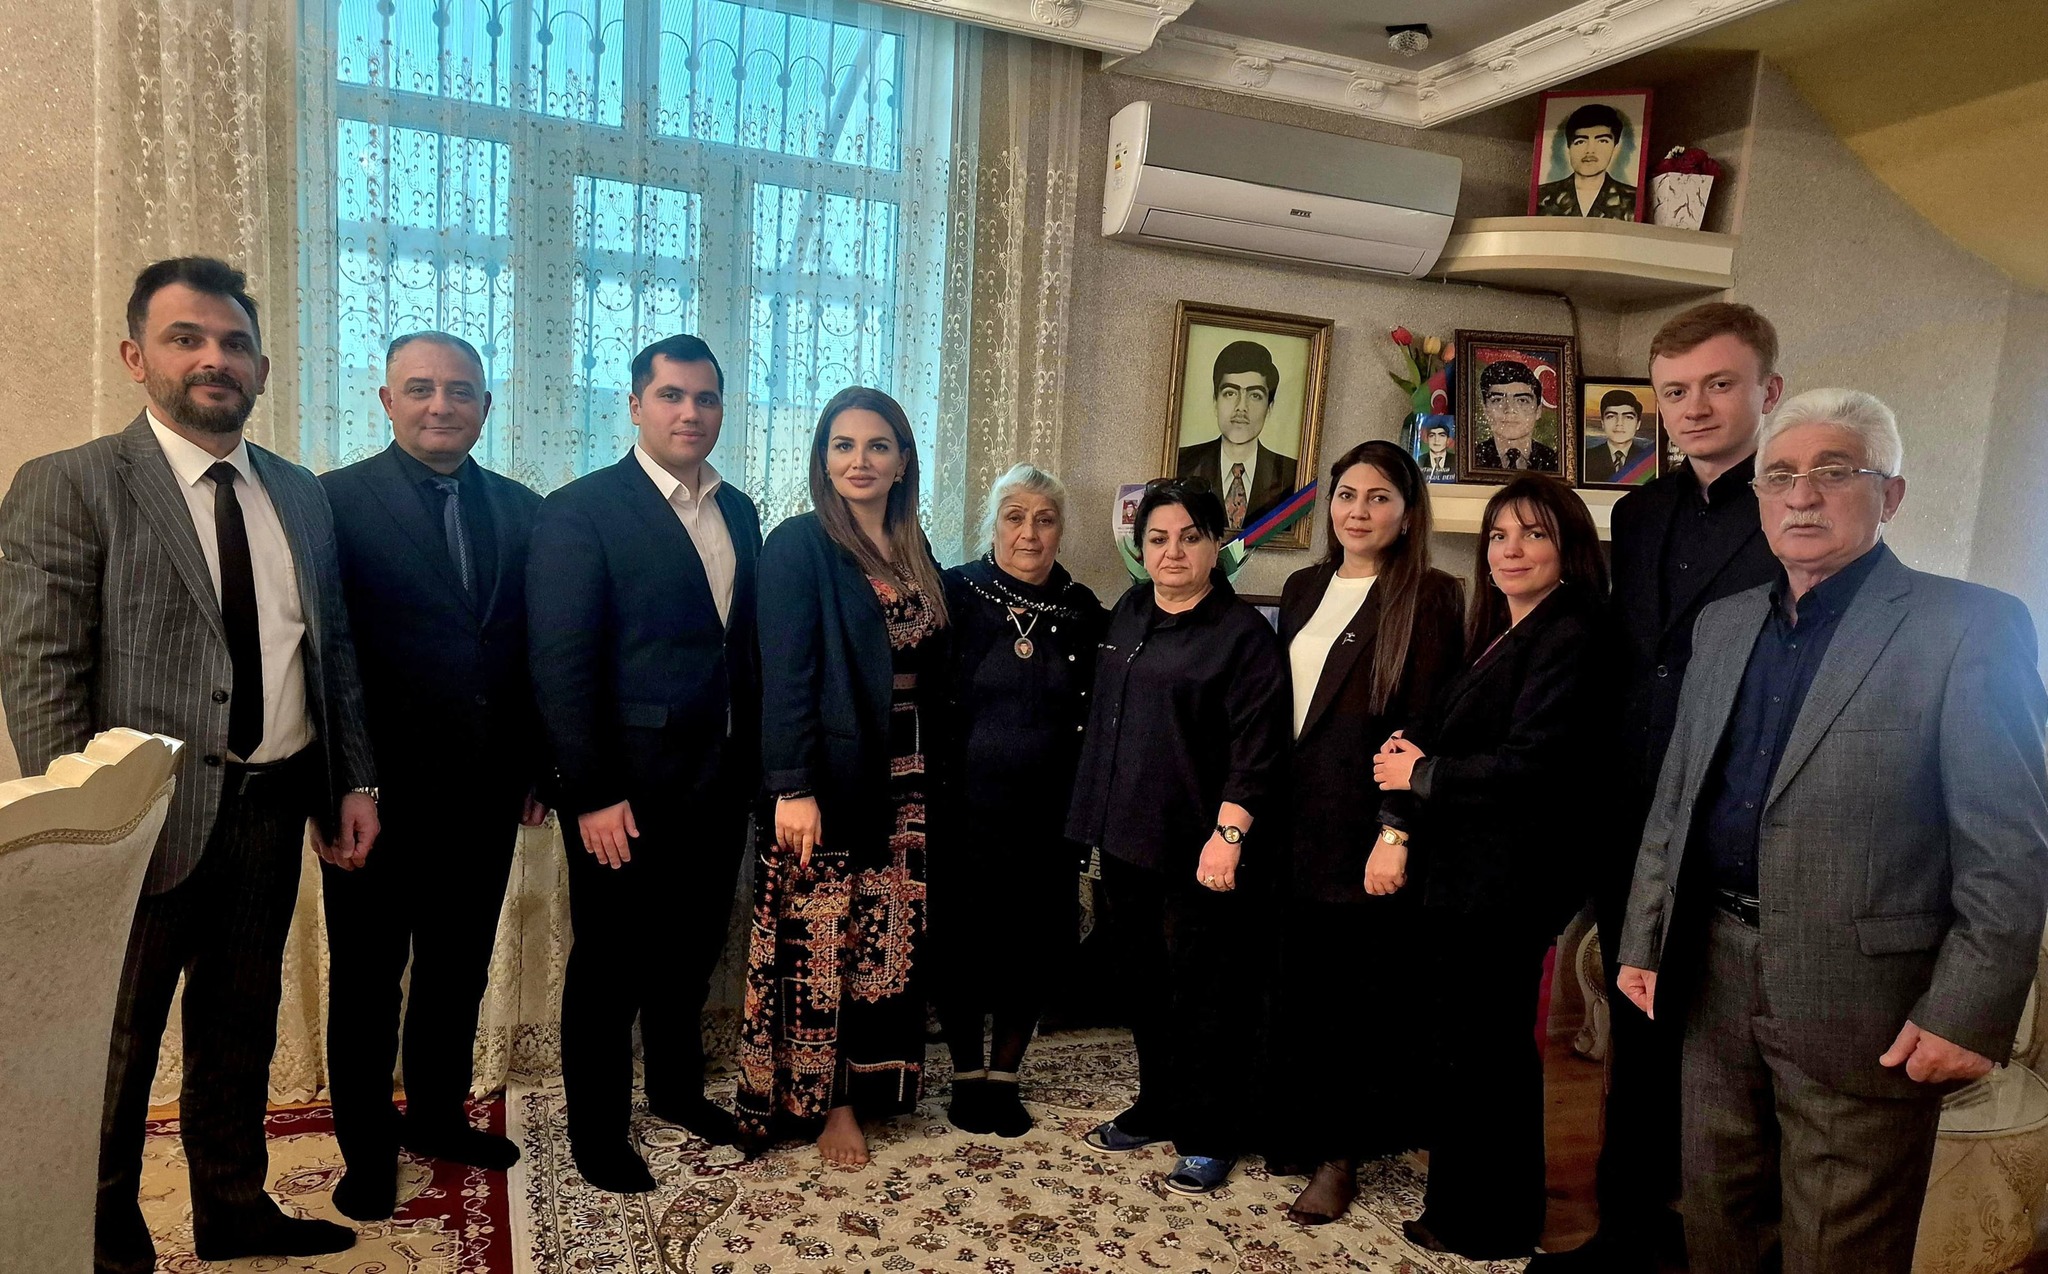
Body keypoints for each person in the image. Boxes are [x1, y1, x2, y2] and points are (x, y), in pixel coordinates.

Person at [0, 257, 378, 1270]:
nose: (215, 358)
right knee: (111, 1049)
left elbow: (329, 650)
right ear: (136, 356)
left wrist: (351, 781)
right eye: (186, 338)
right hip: (134, 827)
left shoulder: (298, 492)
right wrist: (87, 833)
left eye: (234, 342)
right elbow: (40, 670)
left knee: (240, 1025)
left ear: (262, 367)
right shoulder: (71, 482)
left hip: (272, 806)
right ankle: (101, 1241)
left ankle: (233, 1207)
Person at [1617, 389, 2048, 1274]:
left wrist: (1966, 1011)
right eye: (1779, 476)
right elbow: (1677, 801)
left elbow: (2009, 847)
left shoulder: (1970, 627)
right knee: (1717, 1218)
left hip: (1867, 999)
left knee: (1840, 1245)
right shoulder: (1724, 624)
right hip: (1710, 970)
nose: (1802, 496)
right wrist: (1644, 940)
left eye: (1834, 472)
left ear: (1890, 495)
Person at [1533, 302, 1786, 1274]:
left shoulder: (1792, 512)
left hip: (1728, 823)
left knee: (1718, 1056)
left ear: (1767, 391)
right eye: (1674, 391)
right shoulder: (1635, 514)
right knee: (1632, 1039)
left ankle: (1704, 1243)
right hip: (1630, 816)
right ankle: (1621, 1231)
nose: (1694, 407)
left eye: (1718, 384)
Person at [317, 331, 547, 1220]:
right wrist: (342, 784)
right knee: (367, 983)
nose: (440, 405)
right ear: (386, 401)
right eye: (420, 389)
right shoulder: (332, 502)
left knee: (458, 971)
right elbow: (323, 654)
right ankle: (367, 1150)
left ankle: (439, 1117)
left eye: (459, 391)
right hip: (371, 799)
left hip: (485, 793)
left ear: (485, 405)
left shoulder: (524, 510)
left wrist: (539, 766)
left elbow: (534, 650)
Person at [527, 334, 762, 1193]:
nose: (690, 412)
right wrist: (589, 793)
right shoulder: (580, 510)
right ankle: (596, 1133)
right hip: (622, 792)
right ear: (635, 406)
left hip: (719, 780)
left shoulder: (740, 510)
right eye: (671, 396)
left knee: (690, 952)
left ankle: (675, 1092)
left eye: (706, 398)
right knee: (610, 963)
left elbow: (738, 647)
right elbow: (561, 663)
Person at [1374, 474, 1611, 1261]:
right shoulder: (1503, 628)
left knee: (1487, 1052)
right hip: (1470, 873)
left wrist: (1421, 774)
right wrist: (1414, 754)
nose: (1511, 550)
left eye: (1533, 534)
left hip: (1509, 880)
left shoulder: (1571, 633)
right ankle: (1467, 1206)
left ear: (1569, 547)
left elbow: (1534, 768)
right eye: (1499, 536)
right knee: (1470, 1045)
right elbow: (1454, 726)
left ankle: (1491, 1221)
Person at [738, 386, 951, 1168]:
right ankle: (829, 1105)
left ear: (903, 461)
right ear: (823, 459)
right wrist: (792, 788)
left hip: (908, 778)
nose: (860, 460)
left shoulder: (915, 548)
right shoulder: (799, 545)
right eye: (843, 445)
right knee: (823, 947)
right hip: (828, 780)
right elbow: (784, 676)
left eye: (877, 445)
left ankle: (876, 1086)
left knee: (884, 946)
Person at [1066, 478, 1289, 1197]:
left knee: (1206, 993)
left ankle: (1209, 1133)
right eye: (1158, 538)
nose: (1173, 552)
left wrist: (1229, 835)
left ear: (1216, 544)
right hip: (1126, 837)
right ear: (1141, 547)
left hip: (1202, 847)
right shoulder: (1131, 611)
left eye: (1190, 537)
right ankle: (1157, 1104)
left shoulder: (1243, 637)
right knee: (1143, 984)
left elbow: (1258, 748)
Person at [1270, 442, 1465, 1224]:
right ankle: (1301, 1126)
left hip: (1364, 826)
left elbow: (1426, 722)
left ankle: (1341, 1156)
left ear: (1407, 513)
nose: (1359, 510)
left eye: (1379, 497)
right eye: (1347, 494)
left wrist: (1396, 831)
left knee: (1354, 1000)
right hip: (1294, 820)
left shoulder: (1433, 595)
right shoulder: (1303, 585)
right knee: (1301, 986)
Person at [933, 464, 1105, 1137]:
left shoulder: (1084, 610)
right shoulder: (954, 593)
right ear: (992, 526)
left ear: (1060, 530)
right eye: (1015, 516)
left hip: (1048, 814)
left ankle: (1004, 1076)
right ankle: (965, 1074)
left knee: (1030, 945)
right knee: (961, 943)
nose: (1029, 532)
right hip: (962, 808)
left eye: (1045, 519)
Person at [1176, 340, 1300, 533]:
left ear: (1269, 407)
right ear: (1215, 401)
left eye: (1255, 395)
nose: (1241, 407)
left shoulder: (1293, 475)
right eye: (1230, 393)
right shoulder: (1182, 464)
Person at [1534, 103, 1639, 220]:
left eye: (1602, 141)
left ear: (1615, 146)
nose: (1590, 150)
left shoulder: (1633, 199)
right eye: (1580, 142)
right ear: (1568, 147)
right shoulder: (1541, 196)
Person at [1471, 360, 1559, 472]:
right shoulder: (1471, 458)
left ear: (1538, 410)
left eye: (1522, 400)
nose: (1510, 409)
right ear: (1485, 409)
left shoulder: (1555, 463)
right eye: (1498, 400)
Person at [1581, 389, 1656, 484]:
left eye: (1628, 417)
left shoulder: (1648, 461)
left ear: (1638, 424)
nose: (1619, 423)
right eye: (1611, 416)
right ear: (1602, 423)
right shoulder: (1587, 458)